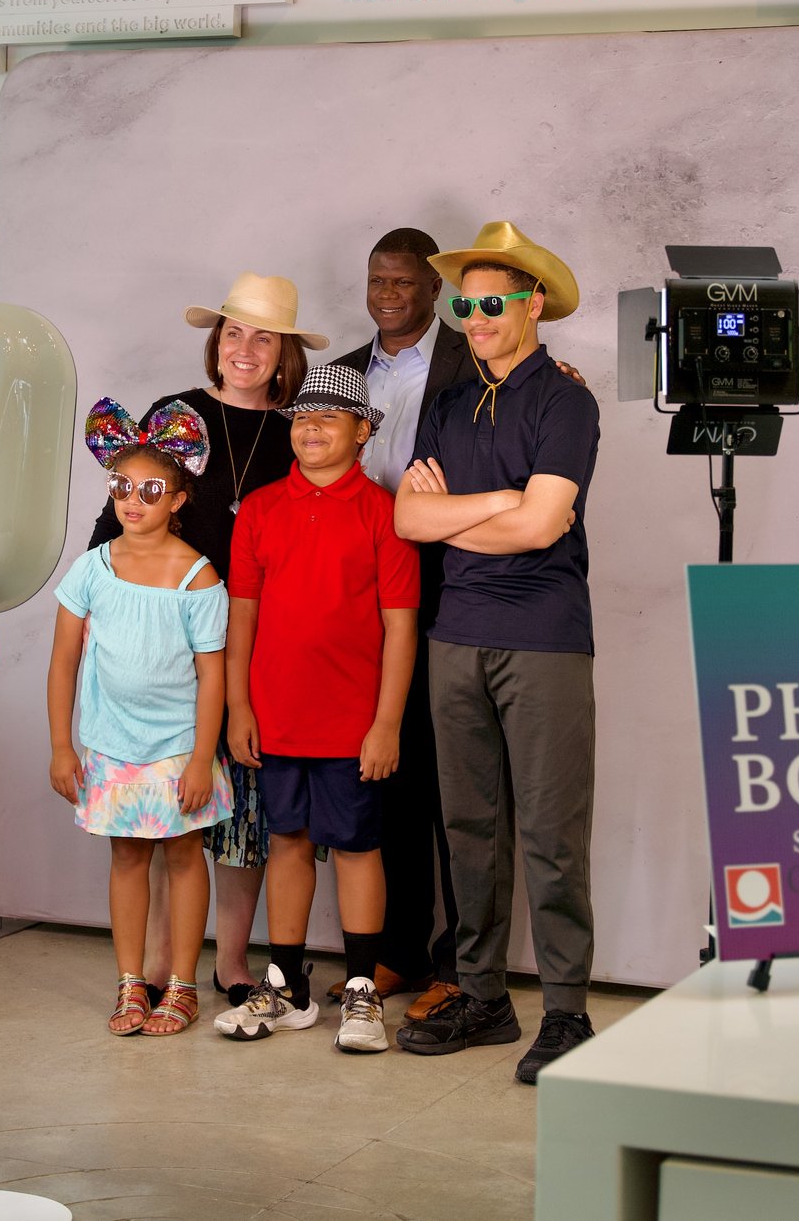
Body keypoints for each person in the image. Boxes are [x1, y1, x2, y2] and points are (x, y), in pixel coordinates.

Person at [391, 221, 602, 1086]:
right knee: (468, 828)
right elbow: (408, 518)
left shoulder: (566, 401)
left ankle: (566, 1010)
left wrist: (468, 515)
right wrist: (499, 503)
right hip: (456, 636)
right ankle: (482, 997)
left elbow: (544, 523)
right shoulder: (448, 405)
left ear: (533, 304)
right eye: (464, 306)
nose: (474, 320)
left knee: (552, 830)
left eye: (491, 305)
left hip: (544, 637)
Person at [86, 271, 322, 1005]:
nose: (245, 348)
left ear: (284, 354)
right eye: (233, 332)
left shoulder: (298, 433)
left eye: (263, 337)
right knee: (171, 802)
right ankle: (163, 958)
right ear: (216, 342)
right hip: (166, 640)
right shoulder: (178, 415)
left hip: (254, 638)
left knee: (243, 804)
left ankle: (232, 959)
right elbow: (120, 516)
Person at [213, 364, 420, 1053]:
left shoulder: (384, 512)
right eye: (303, 416)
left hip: (353, 722)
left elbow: (399, 627)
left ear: (363, 431)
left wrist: (386, 723)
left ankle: (361, 990)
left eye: (330, 416)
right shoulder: (260, 508)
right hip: (276, 715)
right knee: (288, 842)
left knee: (358, 847)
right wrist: (239, 705)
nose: (311, 427)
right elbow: (242, 616)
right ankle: (287, 986)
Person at [48, 398, 234, 1037]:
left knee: (183, 855)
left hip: (178, 746)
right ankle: (131, 982)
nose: (133, 501)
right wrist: (62, 746)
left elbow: (213, 676)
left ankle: (182, 984)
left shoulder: (198, 579)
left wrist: (203, 758)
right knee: (127, 857)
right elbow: (63, 662)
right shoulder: (92, 569)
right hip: (110, 743)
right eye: (121, 486)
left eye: (150, 490)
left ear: (178, 499)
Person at [328, 228, 470, 1023]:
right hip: (361, 599)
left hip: (448, 587)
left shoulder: (470, 361)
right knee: (392, 778)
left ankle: (459, 962)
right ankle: (400, 949)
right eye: (377, 278)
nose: (387, 293)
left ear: (433, 288)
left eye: (404, 281)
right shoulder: (342, 372)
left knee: (454, 782)